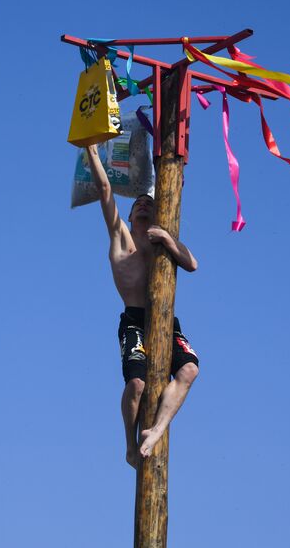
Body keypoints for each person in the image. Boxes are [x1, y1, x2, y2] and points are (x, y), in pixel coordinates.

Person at [86, 145, 199, 469]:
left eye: (149, 202)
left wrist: (167, 237)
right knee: (137, 383)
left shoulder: (162, 242)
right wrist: (91, 150)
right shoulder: (121, 237)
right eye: (138, 204)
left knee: (189, 369)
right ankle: (130, 445)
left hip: (165, 319)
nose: (144, 205)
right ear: (132, 214)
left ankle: (156, 430)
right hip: (134, 318)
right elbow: (105, 190)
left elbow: (192, 264)